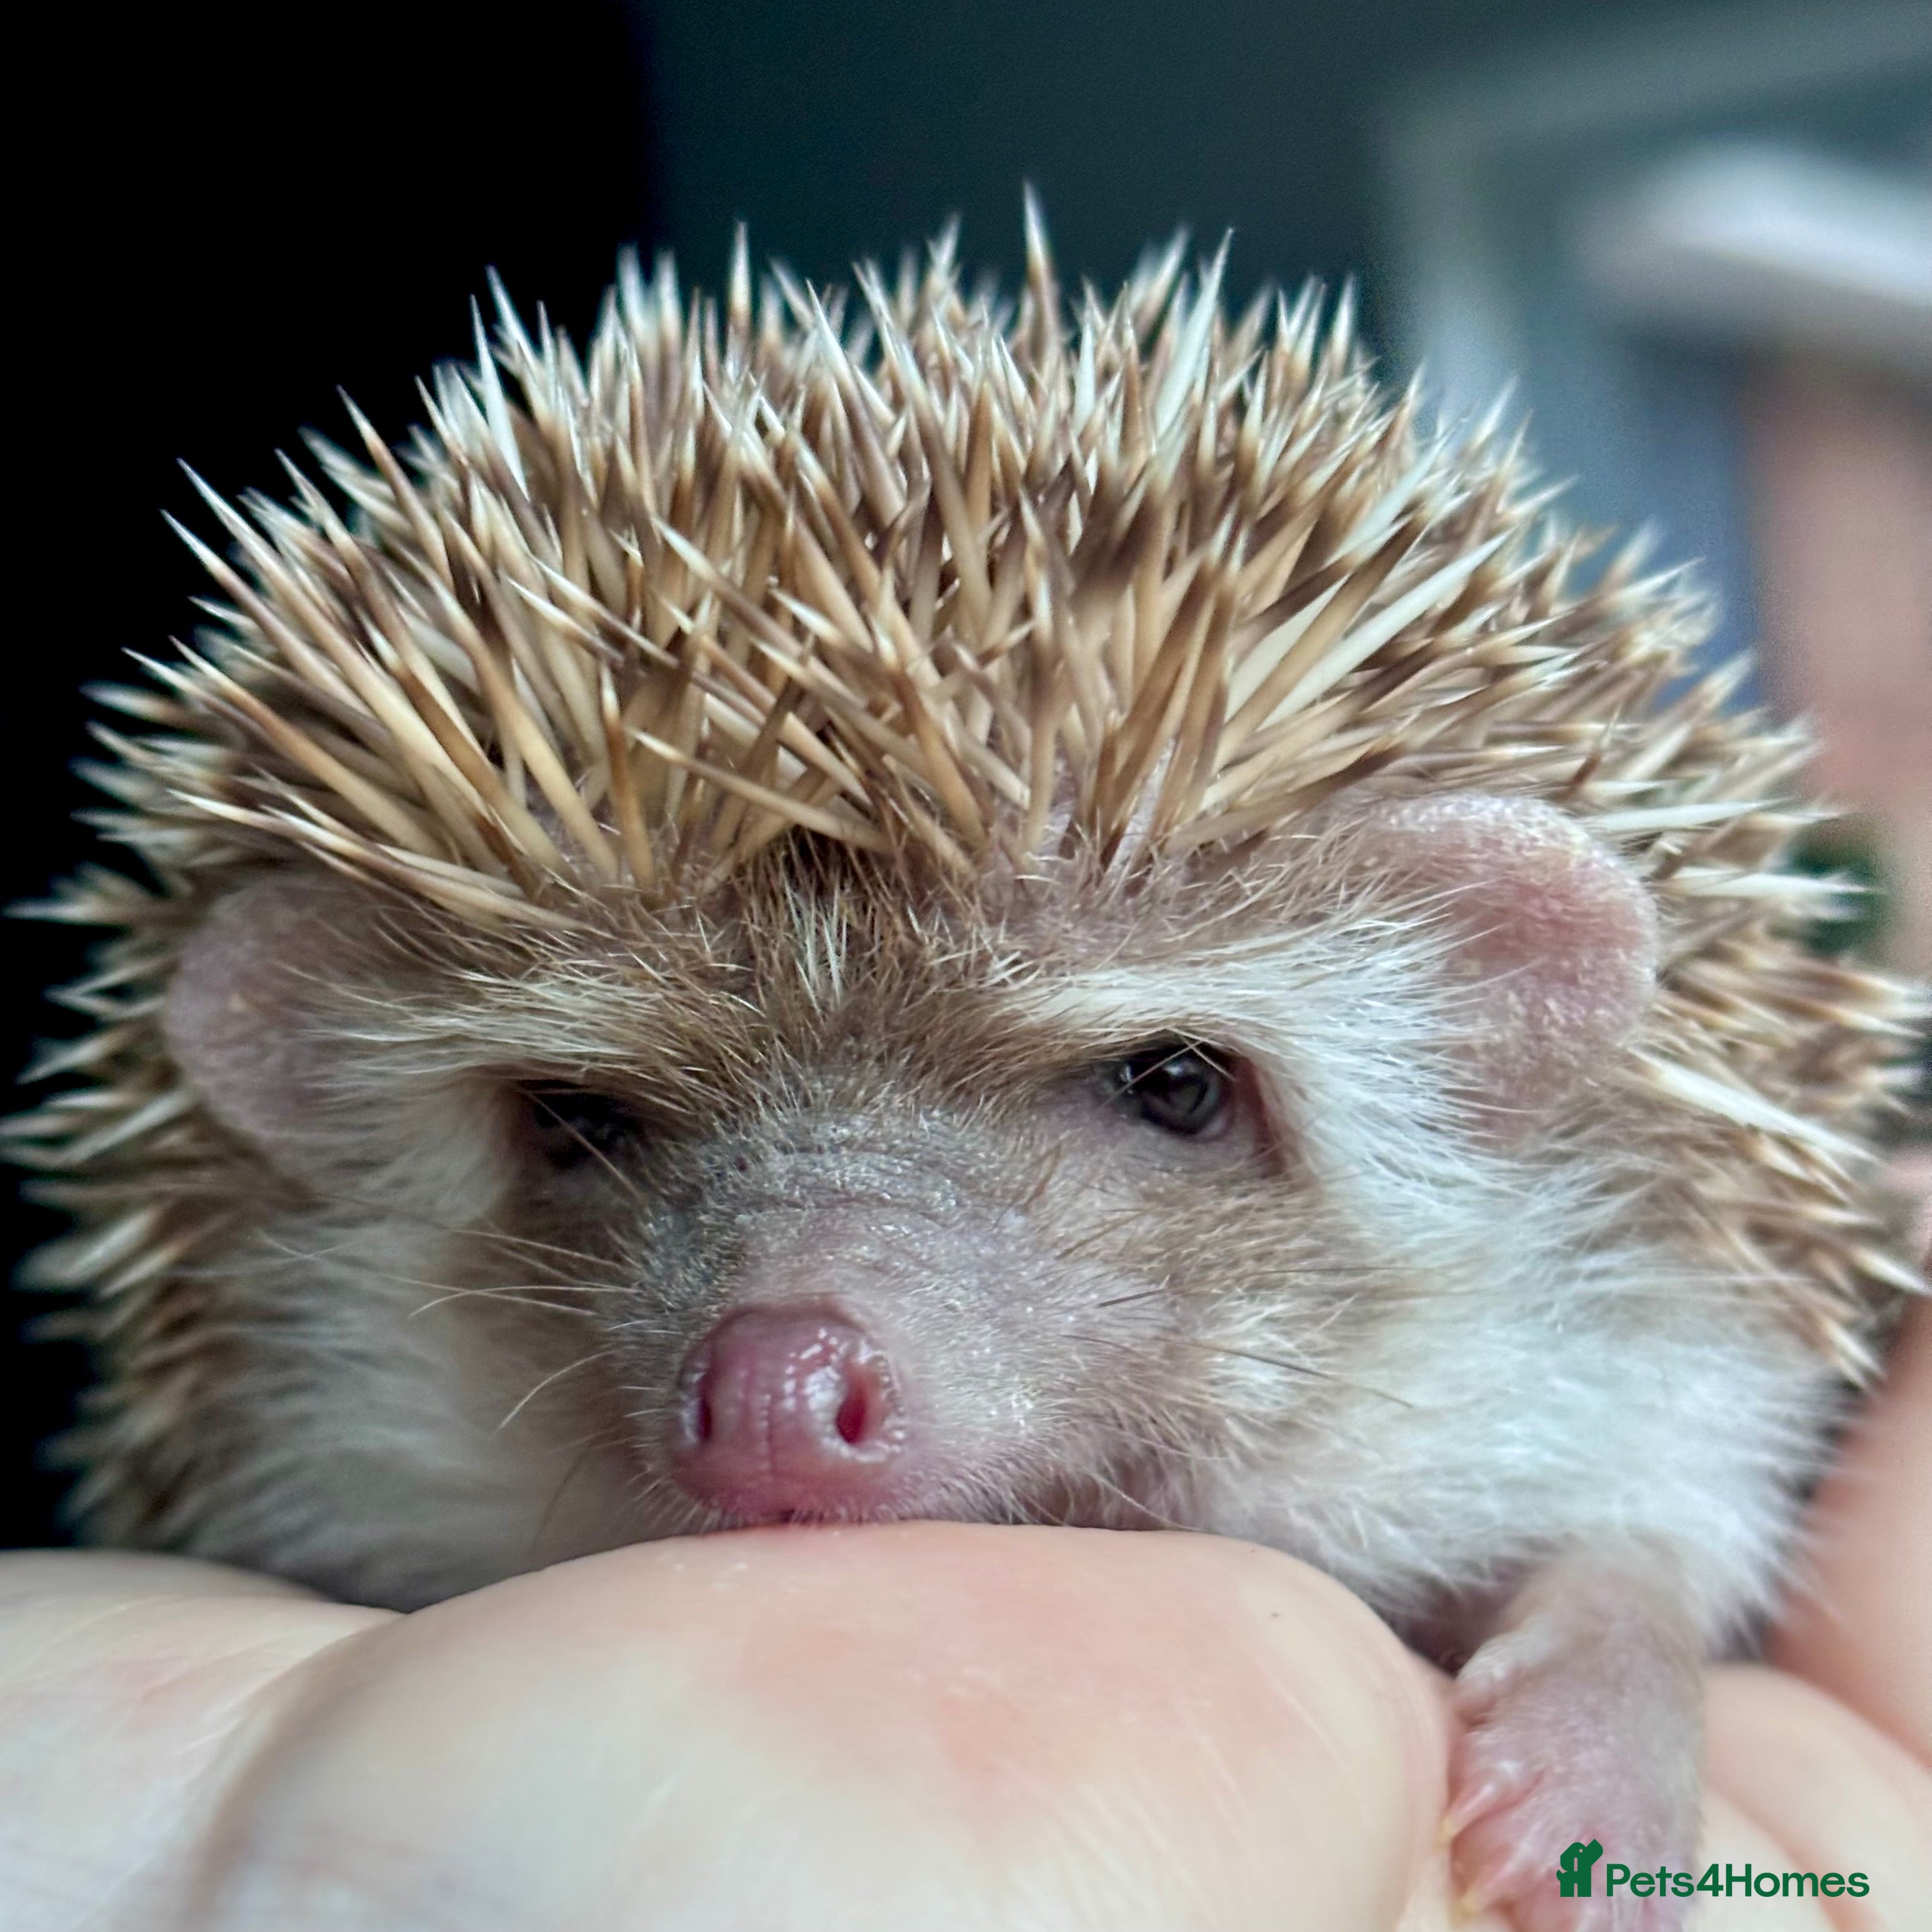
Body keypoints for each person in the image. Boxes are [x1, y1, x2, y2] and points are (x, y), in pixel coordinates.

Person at [3, 1295, 1926, 1932]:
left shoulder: (1569, 1346)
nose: (779, 1354)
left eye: (1158, 1090)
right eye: (588, 1128)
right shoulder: (333, 1469)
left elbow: (1643, 1494)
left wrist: (1618, 1626)